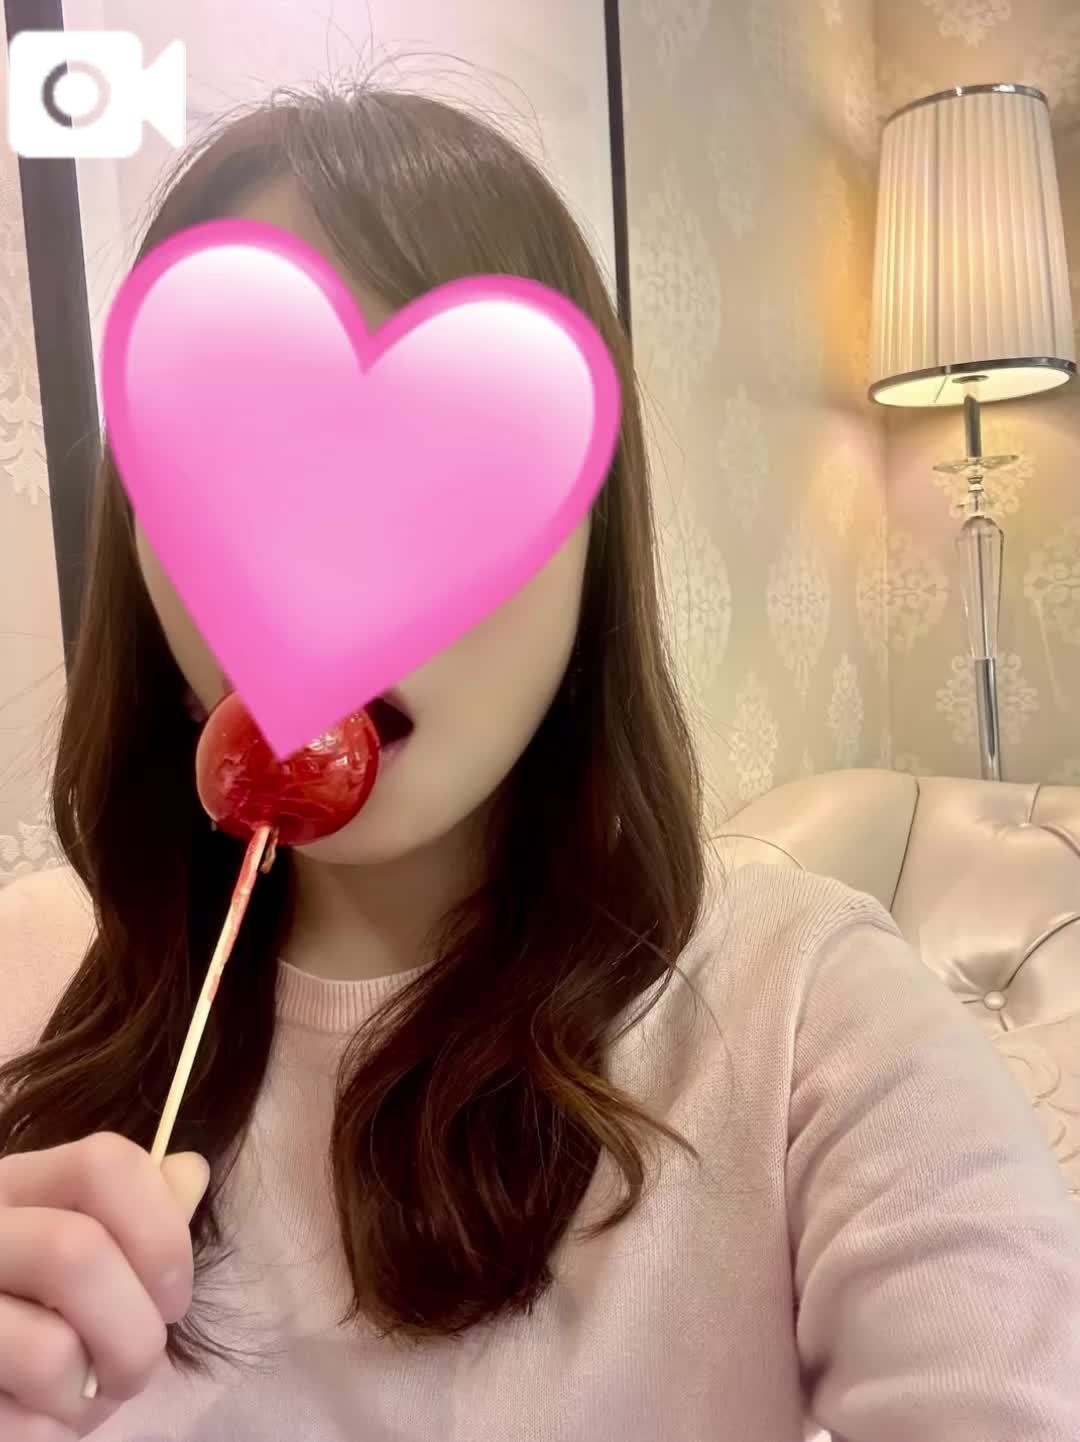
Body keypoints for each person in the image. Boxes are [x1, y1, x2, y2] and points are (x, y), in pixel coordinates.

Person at [1, 84, 1079, 1442]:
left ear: (593, 545)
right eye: (239, 472)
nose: (331, 584)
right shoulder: (27, 981)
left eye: (448, 475)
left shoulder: (809, 1022)